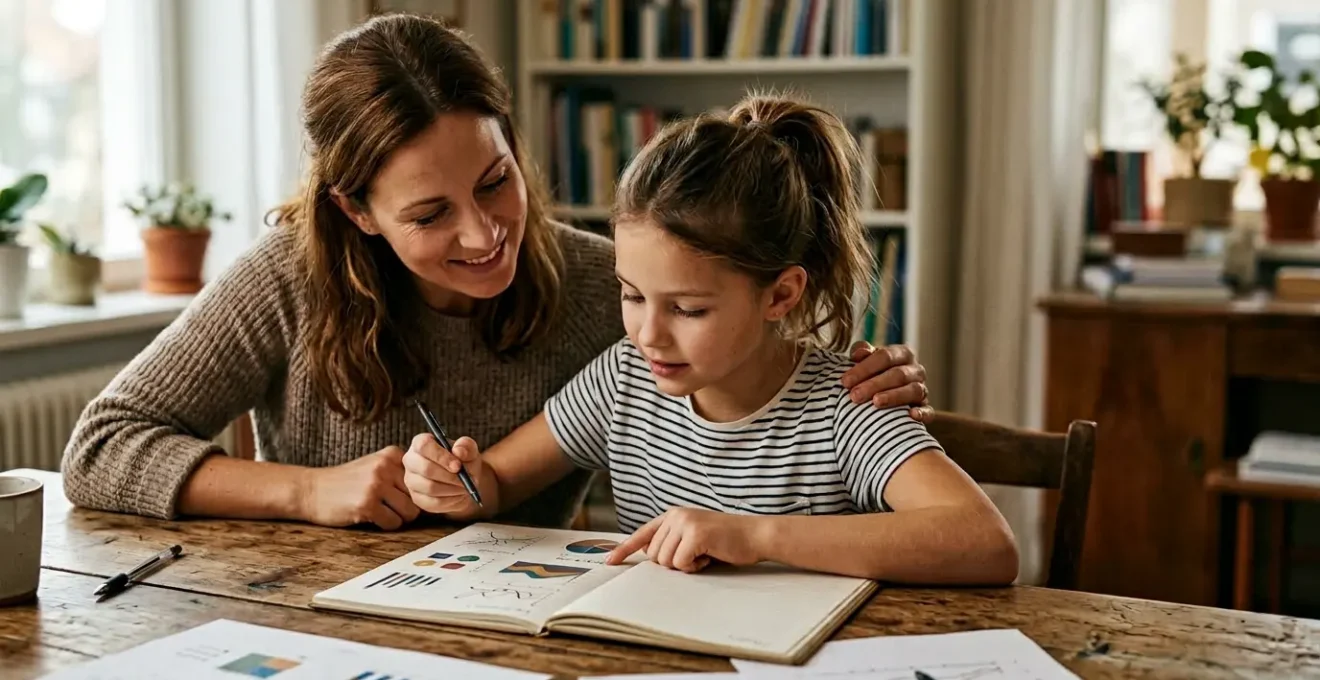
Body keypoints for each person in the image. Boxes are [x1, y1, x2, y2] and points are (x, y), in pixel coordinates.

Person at [59, 13, 931, 532]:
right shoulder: (287, 280)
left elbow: (749, 334)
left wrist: (850, 371)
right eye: (429, 214)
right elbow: (101, 447)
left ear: (514, 143)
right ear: (358, 212)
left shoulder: (613, 287)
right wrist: (308, 492)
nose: (485, 237)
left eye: (494, 181)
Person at [401, 94, 1019, 585]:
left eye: (688, 309)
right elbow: (496, 483)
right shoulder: (623, 380)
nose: (648, 334)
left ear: (780, 295)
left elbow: (986, 542)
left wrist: (754, 535)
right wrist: (458, 483)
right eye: (632, 295)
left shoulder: (845, 406)